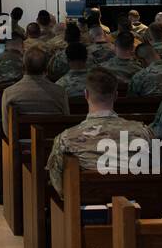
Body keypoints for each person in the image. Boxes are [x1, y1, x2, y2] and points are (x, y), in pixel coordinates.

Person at [45, 68, 152, 197]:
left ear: (86, 95)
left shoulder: (66, 139)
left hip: (84, 211)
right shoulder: (143, 132)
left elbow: (58, 185)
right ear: (116, 96)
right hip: (138, 205)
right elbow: (156, 170)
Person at [0, 48, 68, 136]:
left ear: (23, 67)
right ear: (46, 68)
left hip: (21, 146)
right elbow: (66, 124)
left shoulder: (9, 93)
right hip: (52, 144)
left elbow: (7, 131)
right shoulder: (60, 92)